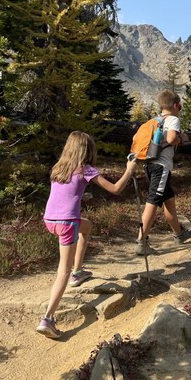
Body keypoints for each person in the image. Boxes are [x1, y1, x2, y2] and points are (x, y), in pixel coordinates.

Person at [38, 131, 137, 339]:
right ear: (87, 150)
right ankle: (47, 318)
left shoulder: (58, 168)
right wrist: (129, 170)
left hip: (49, 220)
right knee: (62, 272)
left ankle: (78, 271)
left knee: (87, 226)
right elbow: (116, 189)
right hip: (67, 222)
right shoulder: (86, 169)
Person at [135, 90, 191, 256]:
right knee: (153, 199)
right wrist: (182, 139)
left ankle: (179, 234)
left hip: (150, 164)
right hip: (161, 166)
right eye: (180, 106)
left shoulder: (154, 120)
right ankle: (141, 241)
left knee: (168, 199)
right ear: (175, 105)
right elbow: (170, 139)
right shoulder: (173, 119)